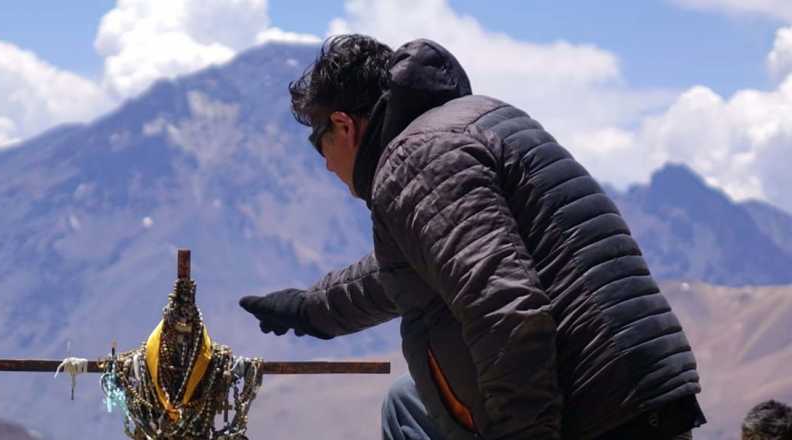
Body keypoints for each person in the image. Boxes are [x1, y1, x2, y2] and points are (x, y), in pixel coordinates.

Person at [238, 34, 707, 439]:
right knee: (408, 403)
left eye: (317, 141)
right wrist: (311, 309)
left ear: (343, 125)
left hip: (602, 408)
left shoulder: (416, 158)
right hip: (630, 389)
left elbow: (504, 308)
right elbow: (414, 269)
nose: (324, 163)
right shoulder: (462, 127)